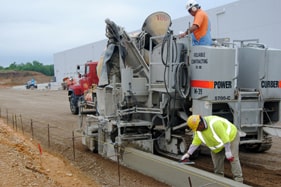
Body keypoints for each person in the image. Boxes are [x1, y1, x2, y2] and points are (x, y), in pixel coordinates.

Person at [181, 115, 243, 182]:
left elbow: (225, 138)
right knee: (217, 163)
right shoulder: (198, 131)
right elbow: (195, 143)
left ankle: (238, 181)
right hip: (217, 144)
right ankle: (219, 180)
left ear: (200, 124)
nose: (197, 130)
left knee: (233, 158)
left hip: (231, 138)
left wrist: (228, 151)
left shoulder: (215, 124)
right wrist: (188, 154)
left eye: (197, 128)